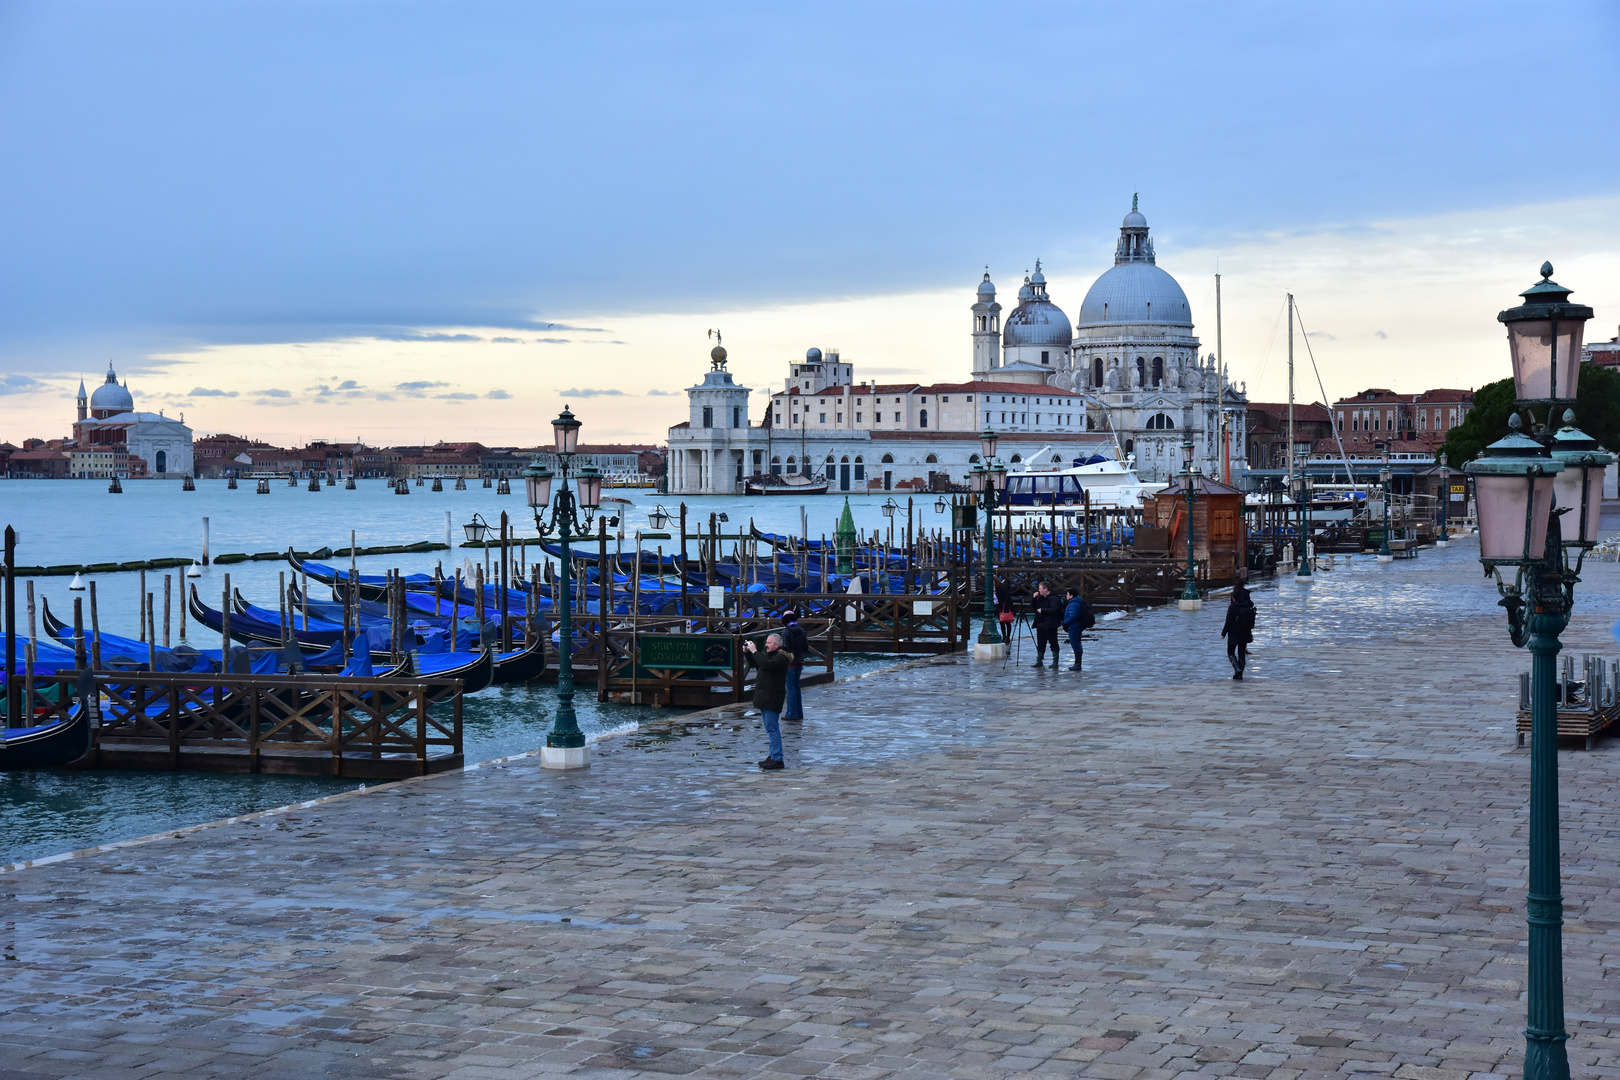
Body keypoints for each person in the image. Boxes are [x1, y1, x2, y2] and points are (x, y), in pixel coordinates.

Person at [743, 633, 793, 769]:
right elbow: (758, 664)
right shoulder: (770, 656)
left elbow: (765, 665)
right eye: (766, 642)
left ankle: (777, 758)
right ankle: (773, 755)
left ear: (777, 645)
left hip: (772, 697)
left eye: (769, 643)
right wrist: (748, 653)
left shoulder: (780, 659)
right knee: (770, 728)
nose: (766, 645)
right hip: (765, 697)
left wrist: (754, 650)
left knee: (773, 729)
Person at [1221, 580, 1256, 680]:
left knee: (1231, 652)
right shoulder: (1248, 604)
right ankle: (1240, 672)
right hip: (1246, 630)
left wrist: (1223, 633)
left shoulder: (1233, 607)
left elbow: (1228, 621)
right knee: (1241, 652)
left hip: (1234, 632)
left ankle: (1237, 669)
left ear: (1234, 598)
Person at [780, 609, 809, 721]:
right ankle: (799, 713)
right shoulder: (802, 631)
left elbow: (785, 647)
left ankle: (791, 714)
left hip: (790, 662)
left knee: (790, 688)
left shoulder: (786, 632)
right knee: (796, 687)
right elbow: (806, 648)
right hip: (800, 661)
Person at [1029, 580, 1064, 668]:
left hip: (1050, 624)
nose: (1039, 590)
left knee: (1053, 642)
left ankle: (1055, 661)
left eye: (1040, 588)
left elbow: (1055, 609)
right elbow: (1034, 607)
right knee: (1041, 643)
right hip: (1040, 623)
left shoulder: (1054, 598)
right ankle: (1039, 660)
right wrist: (1034, 598)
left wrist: (1043, 610)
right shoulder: (1040, 598)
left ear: (1046, 589)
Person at [1060, 586, 1094, 672]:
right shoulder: (1078, 602)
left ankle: (1077, 664)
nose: (1066, 596)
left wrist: (1065, 623)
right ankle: (1077, 663)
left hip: (1074, 627)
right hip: (1077, 626)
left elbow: (1073, 616)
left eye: (1067, 594)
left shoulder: (1073, 604)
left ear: (1071, 596)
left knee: (1075, 644)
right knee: (1077, 644)